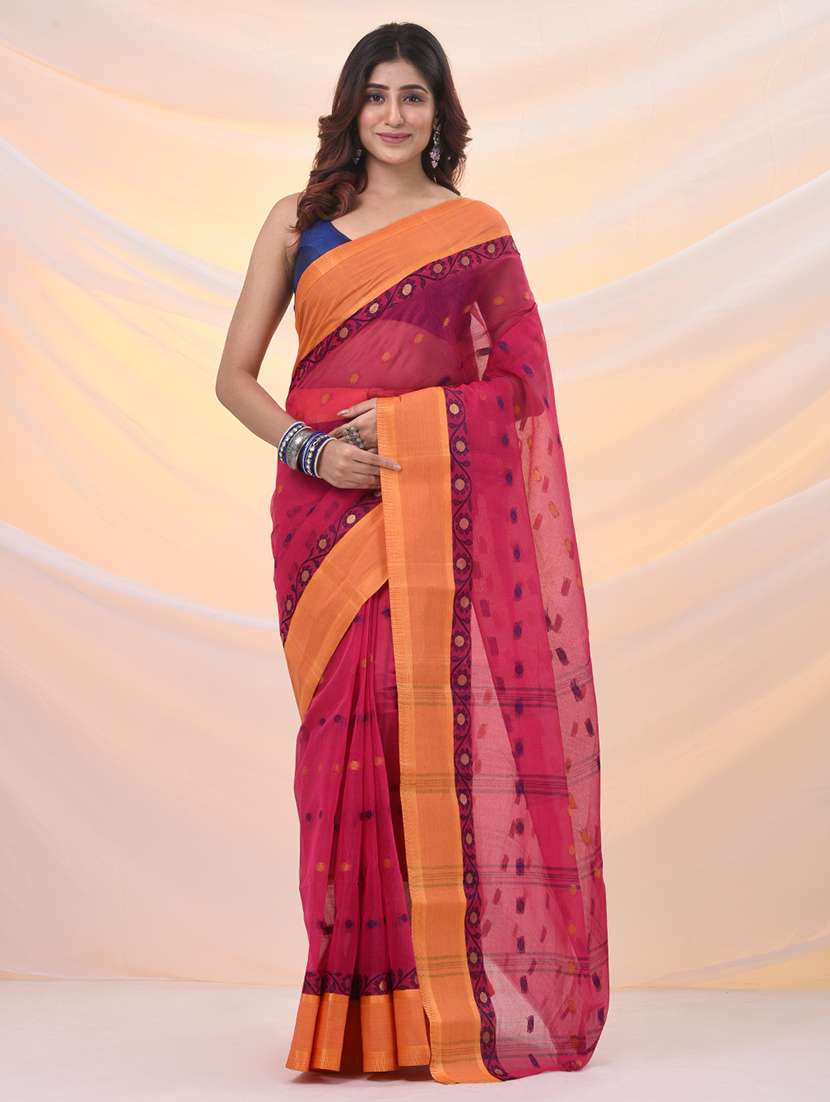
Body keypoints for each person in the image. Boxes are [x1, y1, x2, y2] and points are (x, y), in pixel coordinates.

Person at [215, 21, 609, 1085]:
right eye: (377, 94)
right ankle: (349, 1014)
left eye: (413, 96)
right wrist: (312, 450)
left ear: (440, 114)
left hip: (426, 506)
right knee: (337, 740)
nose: (393, 114)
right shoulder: (297, 221)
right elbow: (235, 378)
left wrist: (400, 429)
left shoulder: (473, 233)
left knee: (413, 728)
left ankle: (432, 1009)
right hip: (320, 512)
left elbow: (519, 389)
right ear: (351, 106)